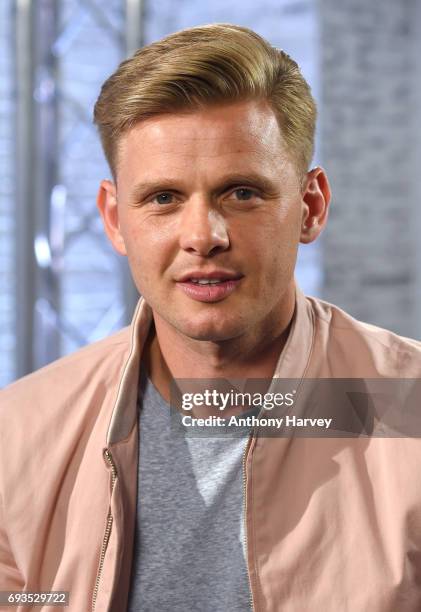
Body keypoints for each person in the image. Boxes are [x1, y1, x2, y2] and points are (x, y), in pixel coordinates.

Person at [1, 23, 421, 612]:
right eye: (164, 198)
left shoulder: (409, 407)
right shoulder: (17, 436)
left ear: (311, 206)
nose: (203, 236)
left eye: (242, 192)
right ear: (116, 219)